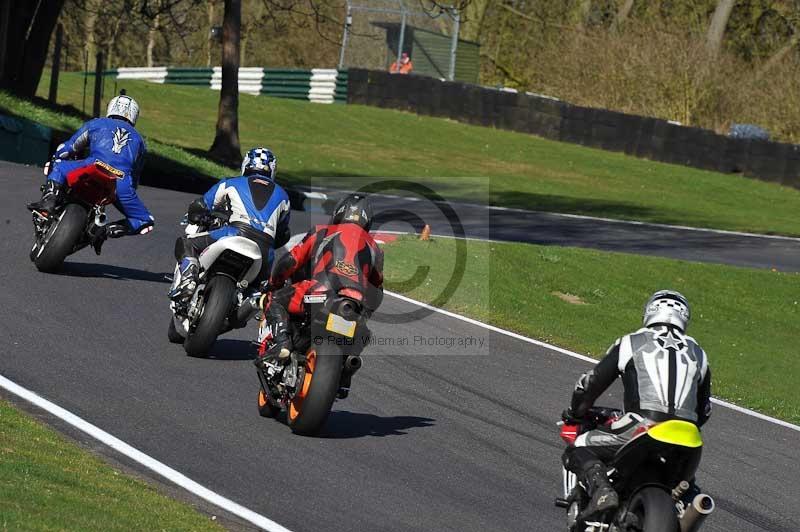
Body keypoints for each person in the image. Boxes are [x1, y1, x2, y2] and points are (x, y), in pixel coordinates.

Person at [561, 290, 711, 521]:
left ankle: (602, 491)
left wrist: (575, 412)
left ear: (649, 312)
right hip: (689, 440)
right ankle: (688, 507)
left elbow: (589, 384)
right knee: (689, 490)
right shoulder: (699, 353)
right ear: (684, 318)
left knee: (579, 446)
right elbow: (704, 411)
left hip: (643, 425)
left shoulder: (632, 341)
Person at [256, 193, 384, 362]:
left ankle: (283, 344)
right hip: (355, 306)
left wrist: (273, 283)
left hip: (319, 293)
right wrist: (366, 313)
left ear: (339, 212)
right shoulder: (375, 248)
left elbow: (291, 261)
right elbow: (377, 290)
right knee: (363, 335)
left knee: (274, 300)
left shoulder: (322, 231)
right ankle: (346, 373)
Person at [28, 93, 154, 248]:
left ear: (111, 108)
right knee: (145, 220)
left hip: (92, 166)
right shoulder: (140, 142)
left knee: (60, 165)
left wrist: (56, 158)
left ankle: (49, 201)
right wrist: (126, 191)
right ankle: (106, 230)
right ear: (134, 115)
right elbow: (135, 177)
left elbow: (69, 148)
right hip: (121, 182)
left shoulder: (97, 123)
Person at [169, 147, 291, 300]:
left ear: (245, 165)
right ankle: (254, 304)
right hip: (265, 251)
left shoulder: (231, 182)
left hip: (234, 232)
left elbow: (201, 205)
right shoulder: (284, 196)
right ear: (273, 170)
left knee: (186, 243)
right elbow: (283, 233)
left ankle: (189, 278)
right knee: (258, 293)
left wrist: (194, 216)